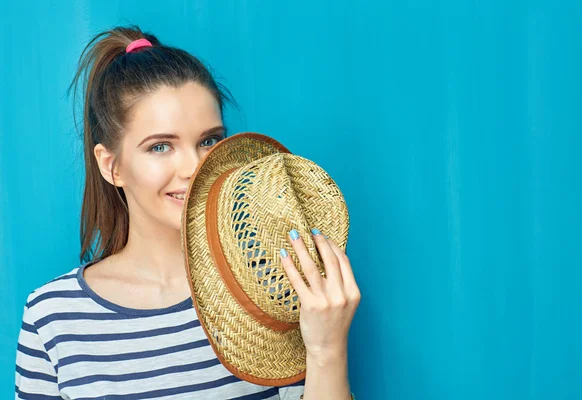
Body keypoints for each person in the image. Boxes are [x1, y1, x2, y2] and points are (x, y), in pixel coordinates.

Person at [14, 25, 360, 399]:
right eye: (161, 147)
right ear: (111, 165)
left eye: (208, 140)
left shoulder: (266, 287)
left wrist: (327, 350)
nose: (193, 168)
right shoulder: (53, 317)